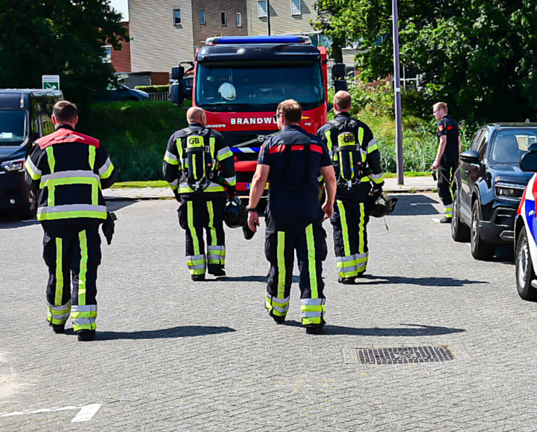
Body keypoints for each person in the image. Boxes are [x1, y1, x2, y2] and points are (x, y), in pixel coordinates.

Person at [24, 101, 116, 341]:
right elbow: (108, 177)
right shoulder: (93, 145)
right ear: (76, 120)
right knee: (84, 269)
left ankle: (57, 320)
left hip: (54, 221)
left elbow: (30, 178)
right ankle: (84, 326)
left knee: (58, 269)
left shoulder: (41, 146)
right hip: (87, 219)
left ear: (54, 121)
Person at [246, 100, 337, 334]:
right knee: (311, 263)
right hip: (308, 211)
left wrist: (252, 208)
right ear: (301, 117)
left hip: (280, 213)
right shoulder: (316, 143)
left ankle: (278, 309)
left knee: (280, 262)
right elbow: (330, 178)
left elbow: (259, 179)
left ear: (281, 118)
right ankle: (313, 317)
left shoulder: (271, 143)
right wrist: (329, 202)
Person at [163, 107, 238, 281]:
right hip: (214, 194)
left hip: (188, 194)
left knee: (193, 230)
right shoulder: (216, 137)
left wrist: (176, 190)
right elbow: (229, 166)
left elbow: (168, 170)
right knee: (214, 227)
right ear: (203, 118)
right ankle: (216, 266)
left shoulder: (176, 137)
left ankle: (197, 272)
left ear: (188, 120)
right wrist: (231, 189)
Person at [317, 91, 384, 284]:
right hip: (362, 186)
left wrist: (318, 186)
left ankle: (347, 273)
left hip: (337, 187)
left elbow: (317, 162)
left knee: (343, 227)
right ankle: (361, 266)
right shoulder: (363, 129)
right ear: (350, 106)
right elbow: (374, 159)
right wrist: (378, 184)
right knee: (360, 224)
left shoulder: (325, 131)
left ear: (335, 106)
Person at [430, 102, 460, 224]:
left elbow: (443, 141)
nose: (433, 114)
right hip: (454, 158)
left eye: (435, 111)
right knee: (454, 185)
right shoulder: (454, 122)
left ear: (442, 111)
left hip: (446, 159)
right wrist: (458, 158)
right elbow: (459, 141)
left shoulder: (442, 123)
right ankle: (456, 211)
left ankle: (449, 213)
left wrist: (437, 160)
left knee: (442, 186)